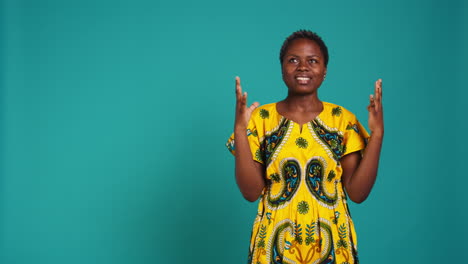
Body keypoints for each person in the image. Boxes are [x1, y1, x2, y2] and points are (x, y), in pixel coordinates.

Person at [226, 30, 384, 263]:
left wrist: (378, 133)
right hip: (274, 243)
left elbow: (358, 193)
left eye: (312, 61)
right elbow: (250, 192)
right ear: (282, 68)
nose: (302, 67)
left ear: (325, 70)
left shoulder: (342, 120)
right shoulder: (260, 119)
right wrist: (240, 130)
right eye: (293, 60)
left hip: (333, 244)